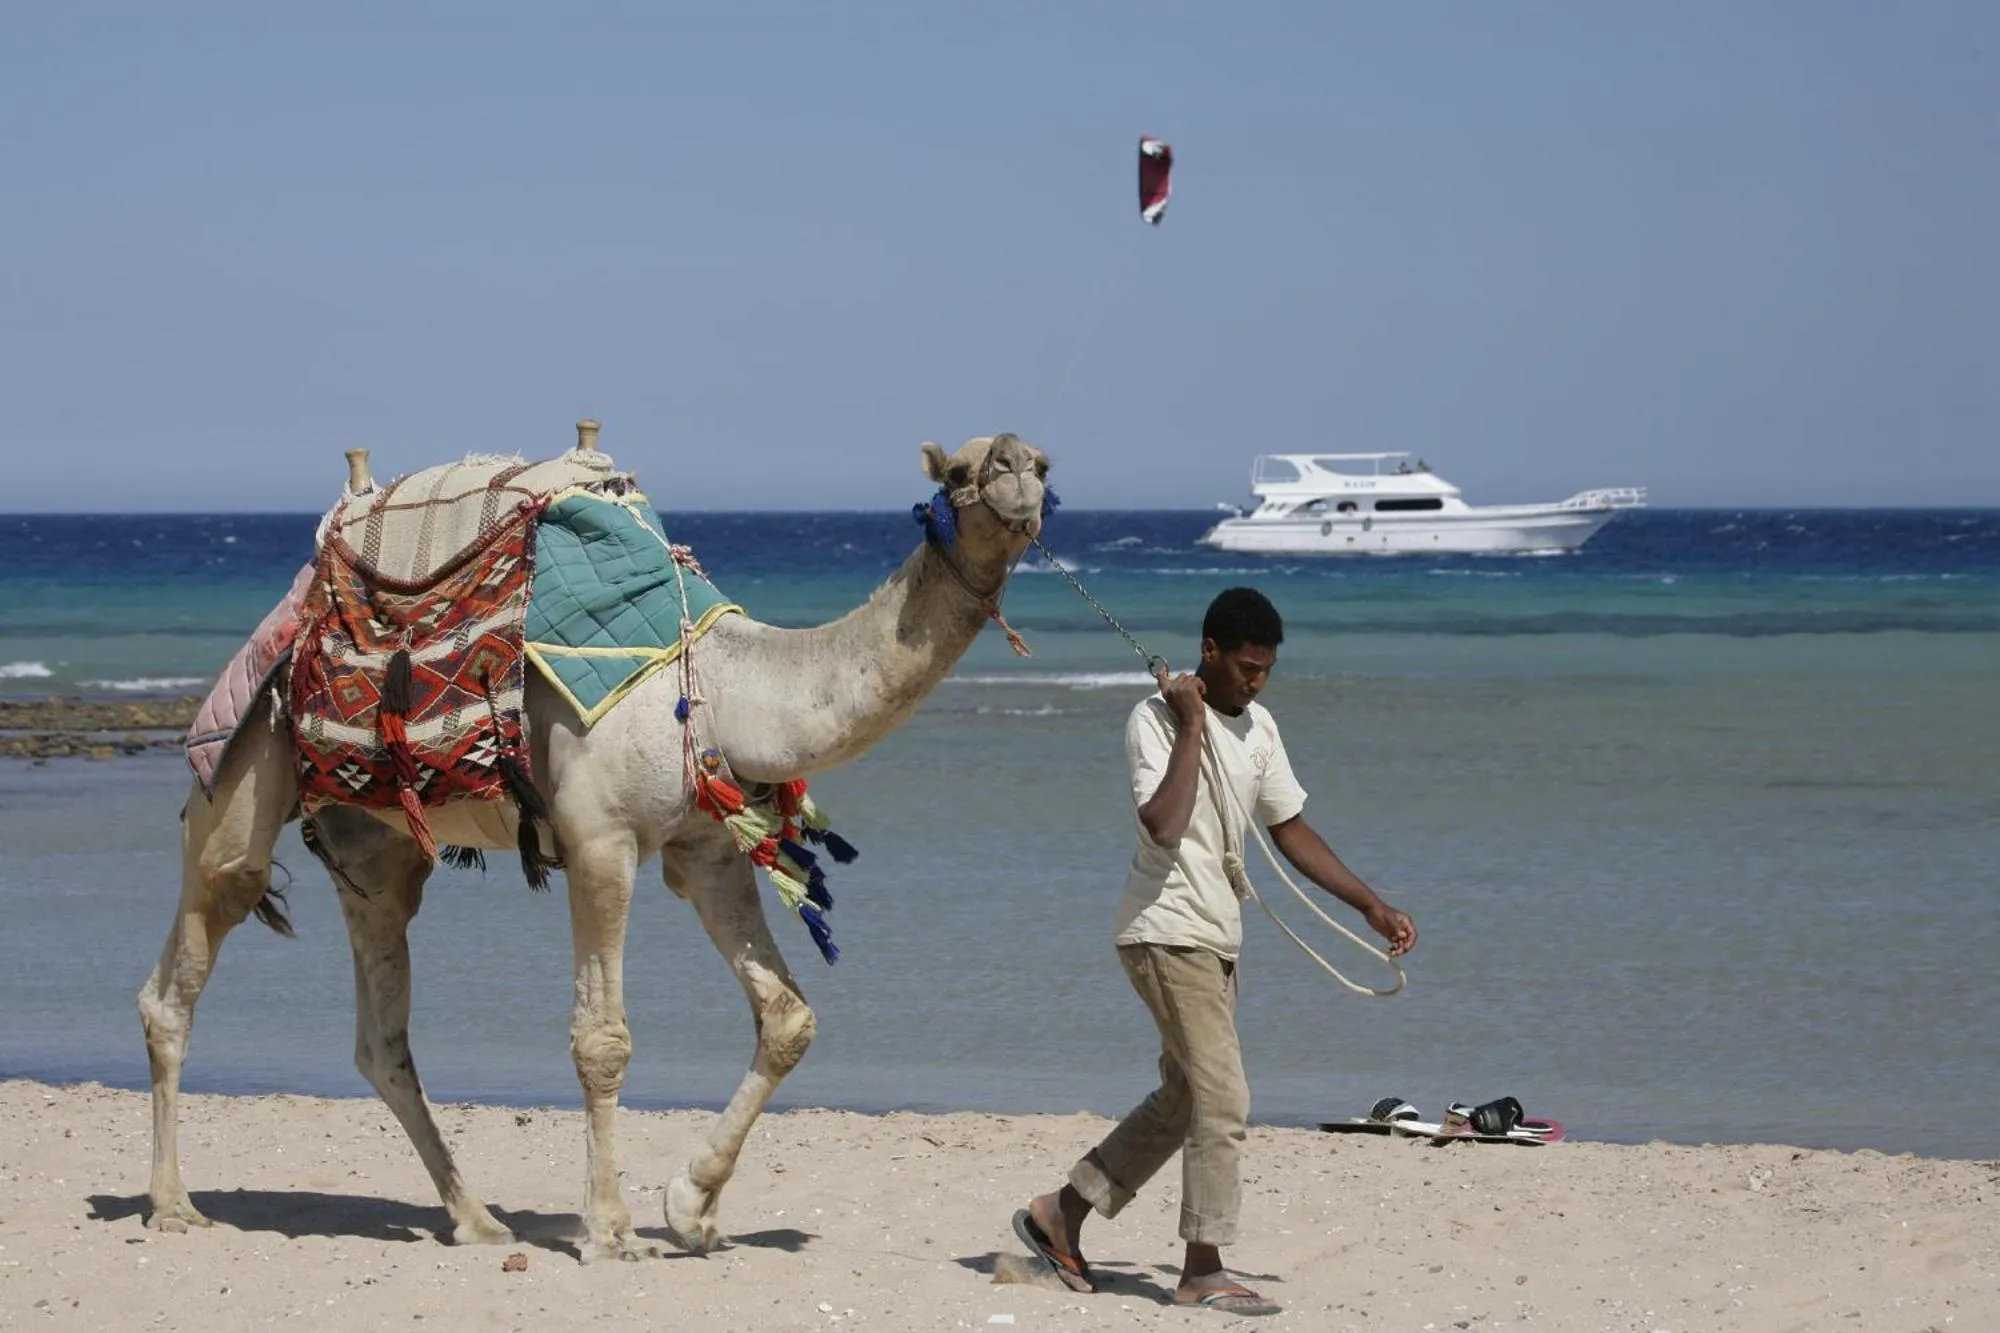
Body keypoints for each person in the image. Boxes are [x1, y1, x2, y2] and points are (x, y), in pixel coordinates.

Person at [1010, 586, 1417, 1317]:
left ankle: (1059, 1214)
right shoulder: (1153, 719)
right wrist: (1192, 720)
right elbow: (1162, 825)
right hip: (1164, 930)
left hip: (1217, 937)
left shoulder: (1262, 727)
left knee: (1185, 1098)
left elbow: (1290, 827)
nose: (1256, 681)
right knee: (1225, 1098)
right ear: (1210, 652)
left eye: (1266, 669)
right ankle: (1202, 1265)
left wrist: (1370, 904)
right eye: (1245, 667)